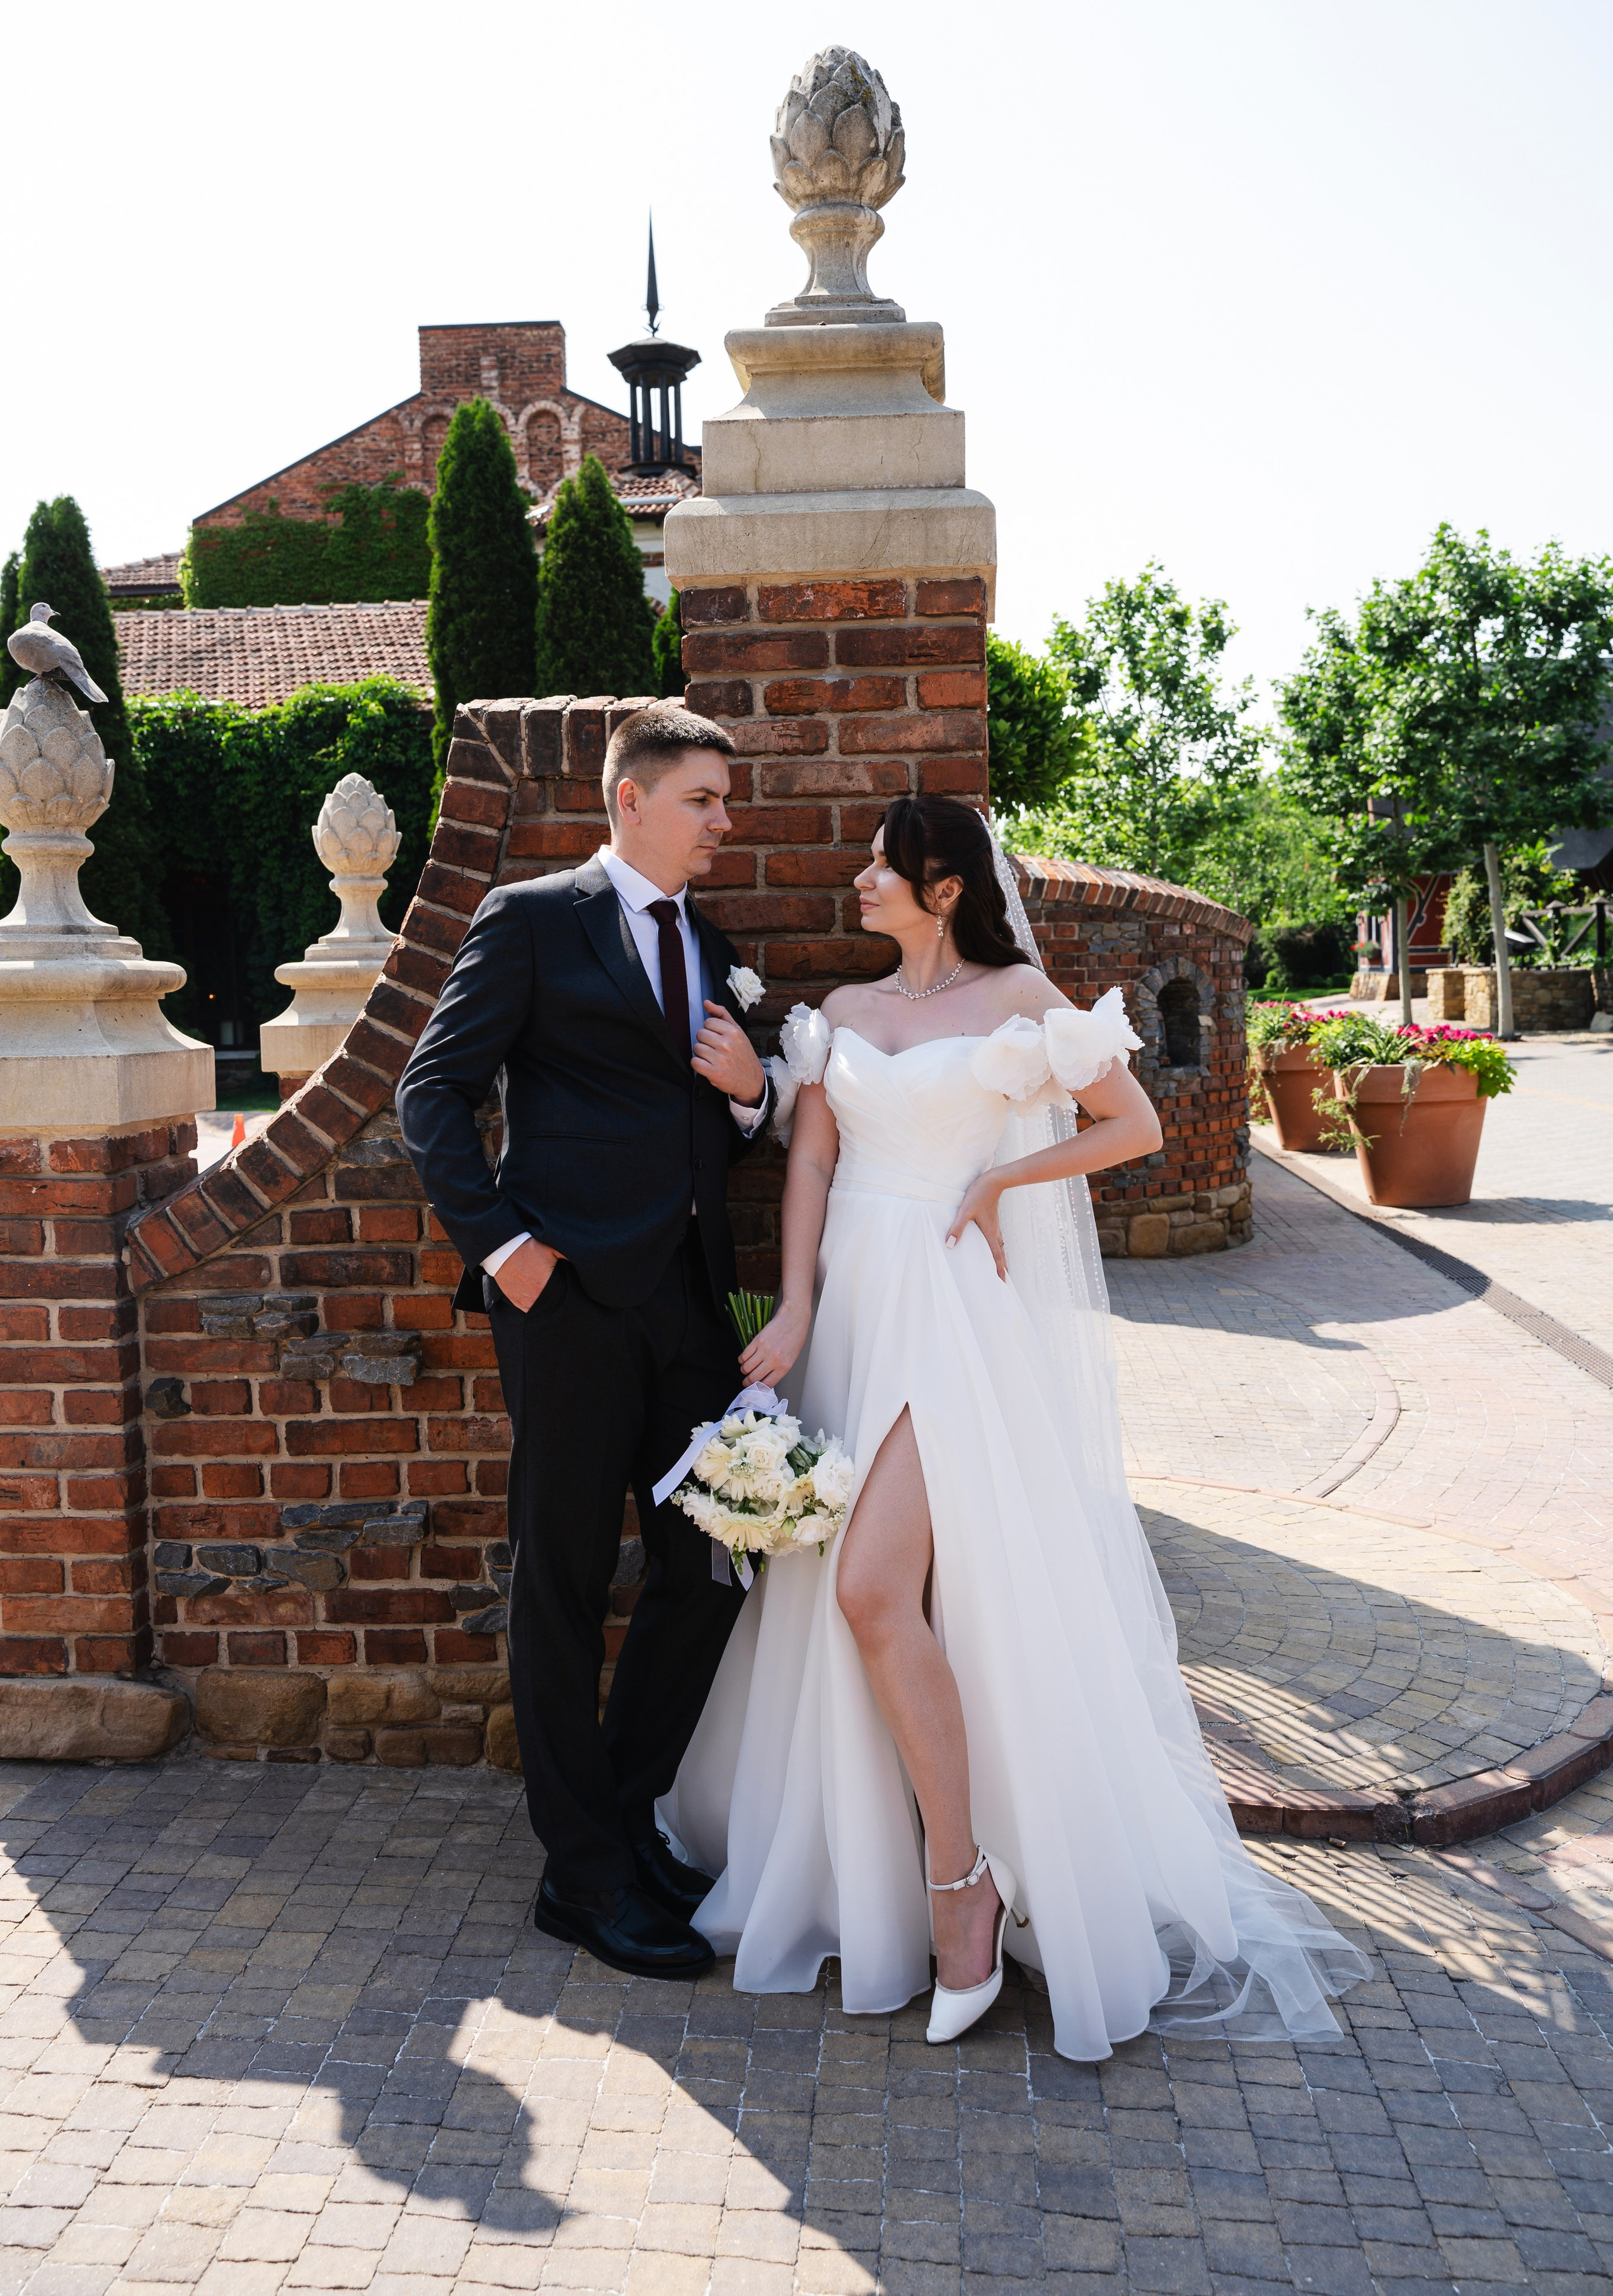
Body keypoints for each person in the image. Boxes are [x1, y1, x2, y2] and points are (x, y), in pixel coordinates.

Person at [662, 794, 1370, 2059]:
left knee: (873, 1593)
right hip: (855, 1314)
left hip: (951, 1310)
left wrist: (994, 1176)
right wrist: (798, 1309)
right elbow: (812, 1162)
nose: (861, 877)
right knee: (872, 1599)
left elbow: (1132, 1125)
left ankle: (961, 1885)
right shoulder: (845, 1017)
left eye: (885, 863)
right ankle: (887, 1874)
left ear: (944, 889)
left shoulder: (1021, 999)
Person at [397, 705, 773, 1981]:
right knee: (558, 1581)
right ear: (631, 800)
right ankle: (585, 1870)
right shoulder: (532, 919)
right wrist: (506, 1251)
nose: (726, 821)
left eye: (725, 800)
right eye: (705, 799)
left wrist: (750, 1094)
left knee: (714, 1560)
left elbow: (720, 1129)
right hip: (562, 1306)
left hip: (688, 1302)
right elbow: (430, 1090)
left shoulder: (710, 945)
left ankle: (610, 1821)